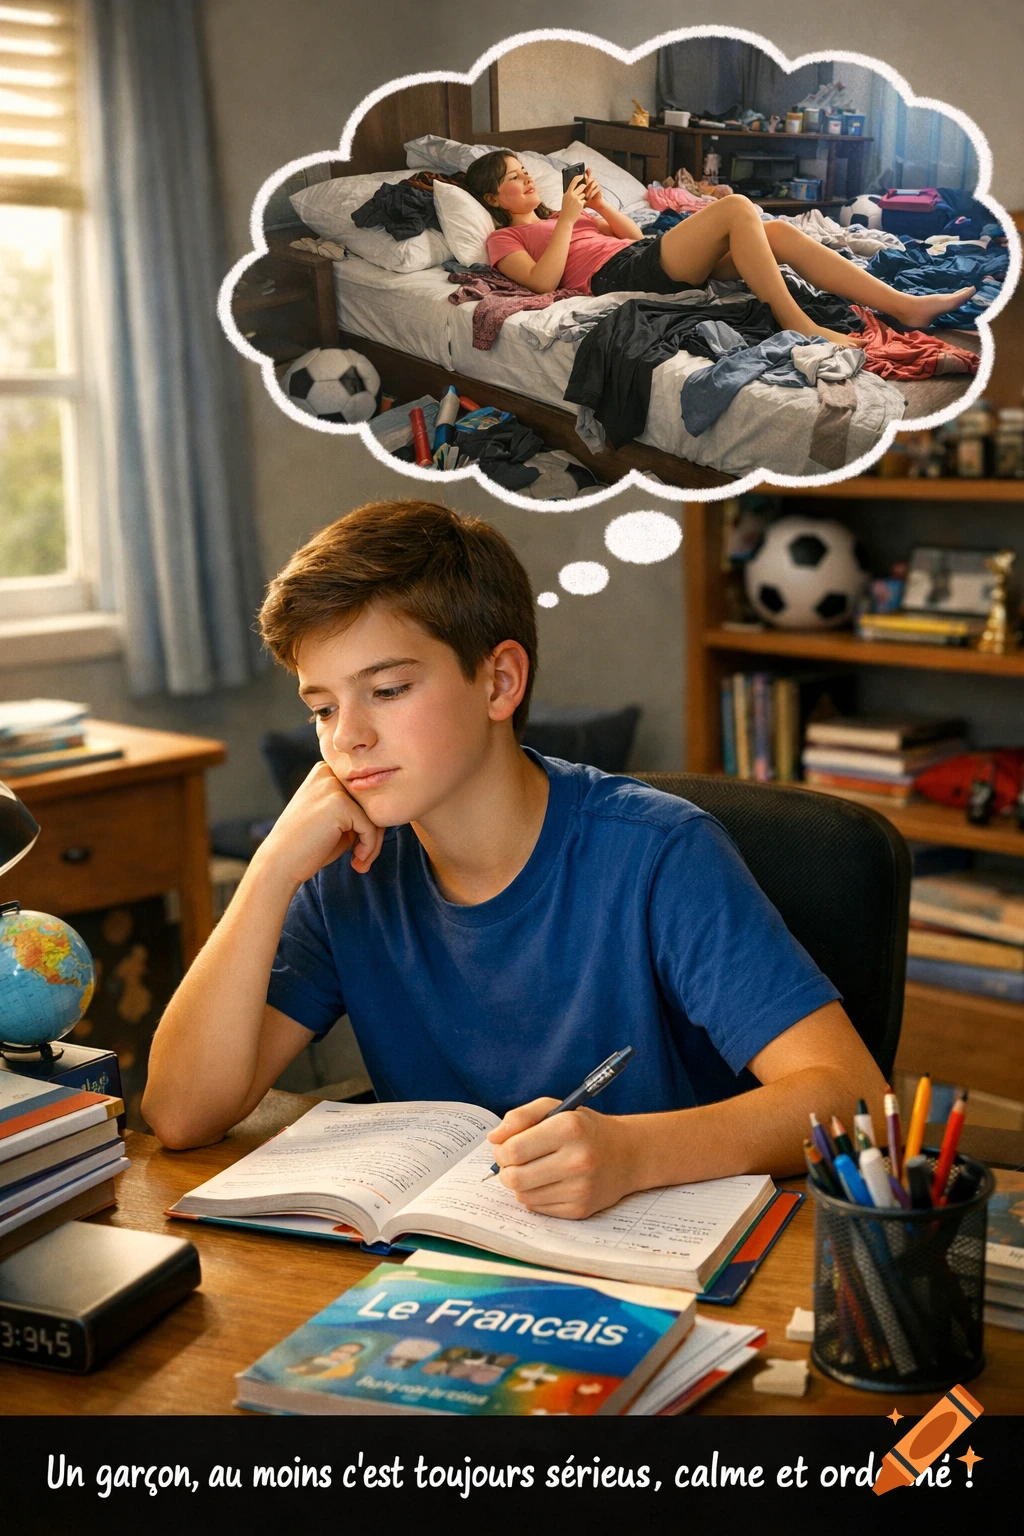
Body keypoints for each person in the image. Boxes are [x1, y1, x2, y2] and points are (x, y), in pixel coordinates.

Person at [142, 499, 889, 1219]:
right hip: (442, 1258)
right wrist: (272, 868)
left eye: (389, 689)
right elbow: (179, 1115)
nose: (348, 738)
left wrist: (632, 1153)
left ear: (500, 680)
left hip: (654, 1256)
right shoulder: (346, 870)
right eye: (323, 708)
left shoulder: (660, 853)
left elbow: (854, 1102)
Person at [462, 150, 975, 349]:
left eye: (527, 172)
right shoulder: (505, 237)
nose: (528, 180)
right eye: (514, 177)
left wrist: (596, 206)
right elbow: (544, 283)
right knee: (737, 208)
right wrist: (571, 220)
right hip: (616, 277)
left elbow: (641, 241)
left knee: (775, 234)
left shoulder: (563, 214)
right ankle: (800, 322)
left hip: (646, 257)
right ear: (492, 198)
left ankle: (905, 305)